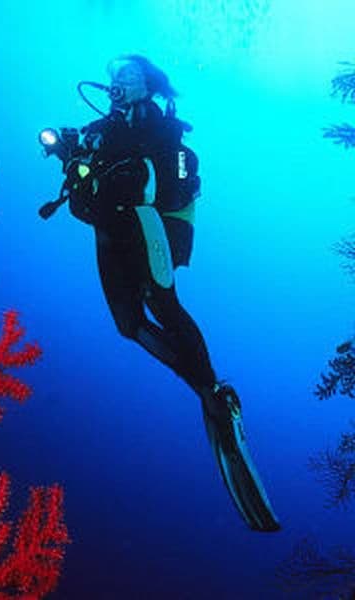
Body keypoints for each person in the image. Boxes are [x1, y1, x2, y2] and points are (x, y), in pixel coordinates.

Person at [61, 55, 280, 532]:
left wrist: (121, 177)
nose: (119, 82)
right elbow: (79, 202)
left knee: (164, 303)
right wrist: (72, 158)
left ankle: (215, 391)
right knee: (128, 325)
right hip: (110, 234)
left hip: (150, 225)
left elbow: (170, 187)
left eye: (130, 76)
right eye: (115, 75)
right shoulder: (98, 130)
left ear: (149, 84)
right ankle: (203, 390)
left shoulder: (164, 129)